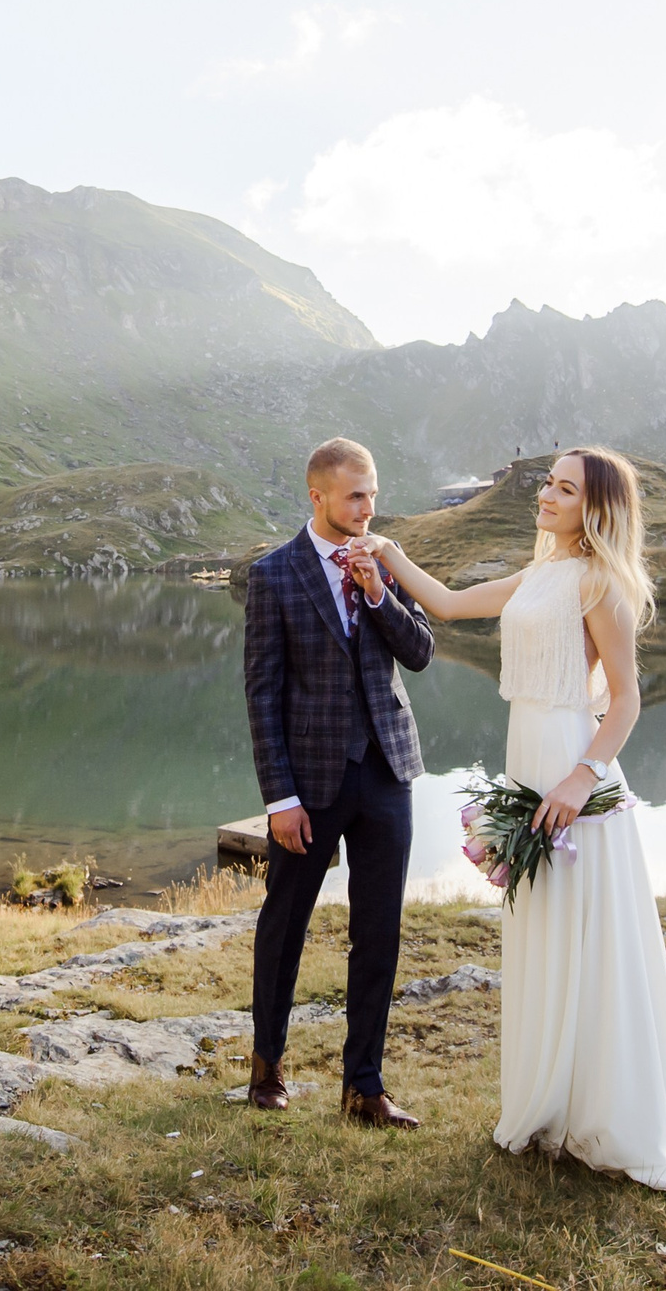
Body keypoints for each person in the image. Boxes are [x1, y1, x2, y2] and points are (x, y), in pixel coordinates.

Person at [362, 447, 666, 1195]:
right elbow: (452, 605)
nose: (545, 495)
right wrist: (389, 555)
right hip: (527, 760)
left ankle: (602, 1105)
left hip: (570, 773)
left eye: (564, 488)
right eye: (548, 483)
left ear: (597, 507)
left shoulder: (600, 583)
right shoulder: (542, 572)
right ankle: (549, 1096)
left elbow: (624, 700)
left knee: (585, 931)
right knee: (544, 926)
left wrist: (581, 778)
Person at [242, 436, 434, 1128]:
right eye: (356, 495)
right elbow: (262, 693)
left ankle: (365, 1087)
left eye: (374, 493)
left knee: (379, 931)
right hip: (311, 784)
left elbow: (420, 654)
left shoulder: (382, 561)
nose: (369, 507)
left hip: (387, 770)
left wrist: (379, 593)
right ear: (317, 494)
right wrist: (280, 797)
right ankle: (267, 1065)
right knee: (284, 926)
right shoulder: (273, 575)